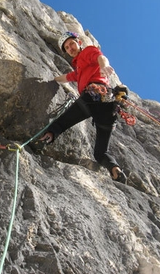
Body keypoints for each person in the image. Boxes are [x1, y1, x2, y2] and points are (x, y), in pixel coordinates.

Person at [34, 31, 128, 183]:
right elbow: (67, 77)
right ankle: (115, 170)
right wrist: (52, 79)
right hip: (106, 108)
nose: (70, 48)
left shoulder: (87, 52)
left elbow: (100, 57)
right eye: (66, 47)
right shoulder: (79, 69)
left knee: (62, 121)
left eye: (71, 43)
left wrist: (105, 66)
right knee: (100, 153)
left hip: (94, 95)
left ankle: (48, 136)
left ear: (79, 42)